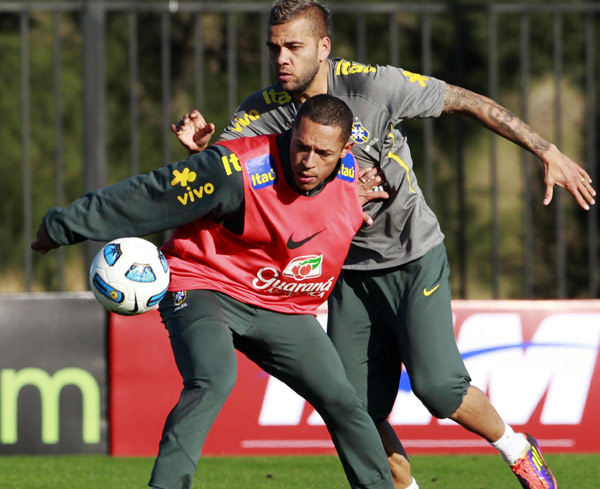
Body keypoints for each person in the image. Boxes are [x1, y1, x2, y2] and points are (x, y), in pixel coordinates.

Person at [171, 1, 598, 489]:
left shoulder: (374, 87)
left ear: (324, 47)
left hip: (413, 257)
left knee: (439, 389)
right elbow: (231, 177)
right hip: (347, 276)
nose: (281, 59)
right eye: (274, 48)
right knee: (351, 411)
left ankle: (519, 451)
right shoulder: (263, 112)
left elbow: (464, 100)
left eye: (294, 47)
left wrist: (546, 150)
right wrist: (204, 152)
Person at [31, 95, 395, 489]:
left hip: (282, 307)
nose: (308, 160)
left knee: (344, 401)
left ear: (344, 151)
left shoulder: (351, 176)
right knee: (214, 378)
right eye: (300, 146)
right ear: (290, 133)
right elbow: (148, 197)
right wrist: (64, 225)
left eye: (322, 152)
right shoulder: (234, 170)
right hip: (204, 285)